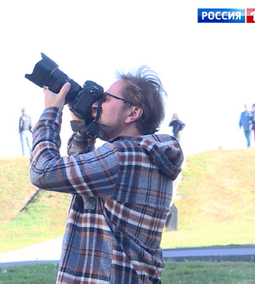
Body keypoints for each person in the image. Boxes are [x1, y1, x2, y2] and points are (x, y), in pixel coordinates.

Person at [29, 66, 184, 284]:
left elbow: (42, 171)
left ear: (133, 113)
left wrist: (51, 112)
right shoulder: (145, 155)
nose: (96, 104)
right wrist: (84, 128)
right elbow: (83, 187)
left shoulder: (122, 156)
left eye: (105, 99)